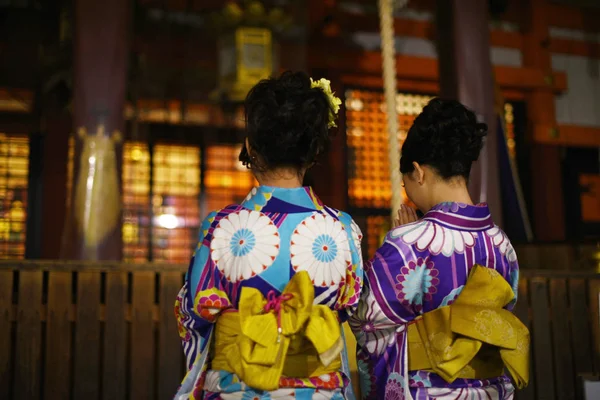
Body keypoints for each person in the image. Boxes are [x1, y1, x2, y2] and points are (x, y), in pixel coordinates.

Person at [174, 71, 364, 400]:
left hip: (238, 388)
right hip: (320, 392)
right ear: (312, 152)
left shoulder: (220, 227)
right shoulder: (344, 229)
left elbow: (195, 311)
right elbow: (351, 309)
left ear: (251, 148)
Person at [350, 98, 529, 400]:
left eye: (406, 183)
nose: (408, 193)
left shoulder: (411, 243)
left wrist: (395, 247)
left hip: (428, 391)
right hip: (491, 391)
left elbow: (364, 317)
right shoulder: (502, 245)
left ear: (418, 172)